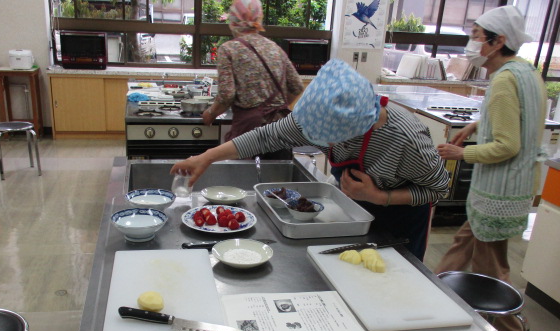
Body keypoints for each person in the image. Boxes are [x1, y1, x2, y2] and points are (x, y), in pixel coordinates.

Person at [171, 59, 450, 260]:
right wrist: (206, 157)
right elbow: (266, 137)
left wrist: (380, 196)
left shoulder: (406, 140)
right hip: (354, 217)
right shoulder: (323, 116)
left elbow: (439, 189)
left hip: (399, 223)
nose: (324, 143)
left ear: (356, 128)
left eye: (329, 139)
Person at [434, 6, 546, 331]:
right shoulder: (526, 72)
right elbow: (515, 117)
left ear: (498, 42)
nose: (471, 43)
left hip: (497, 191)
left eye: (476, 37)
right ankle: (436, 298)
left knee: (491, 268)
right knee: (462, 243)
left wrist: (461, 152)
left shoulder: (503, 81)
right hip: (513, 187)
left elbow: (507, 145)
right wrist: (473, 126)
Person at [202, 0, 304, 145]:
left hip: (250, 132)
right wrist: (275, 108)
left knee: (247, 168)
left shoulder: (228, 49)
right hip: (281, 130)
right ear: (259, 18)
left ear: (233, 20)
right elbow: (297, 86)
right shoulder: (274, 47)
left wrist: (211, 113)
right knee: (278, 168)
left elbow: (226, 95)